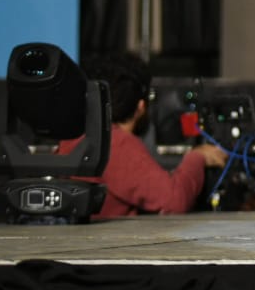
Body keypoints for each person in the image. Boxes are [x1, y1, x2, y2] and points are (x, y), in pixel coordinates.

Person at [58, 53, 229, 218]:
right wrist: (197, 157)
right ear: (140, 106)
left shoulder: (74, 138)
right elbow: (174, 200)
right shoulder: (116, 143)